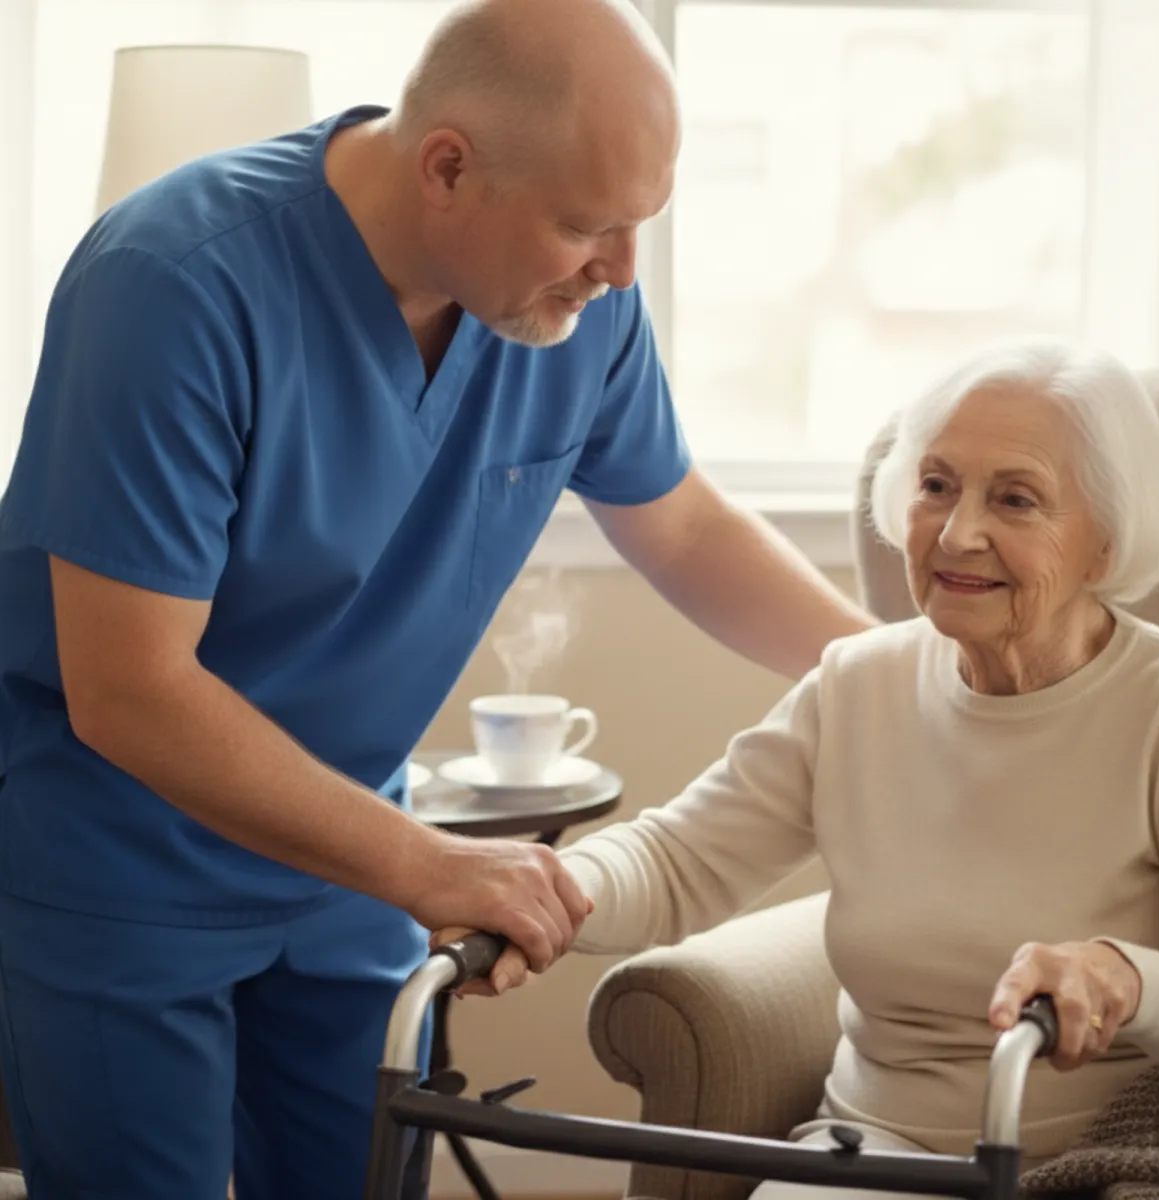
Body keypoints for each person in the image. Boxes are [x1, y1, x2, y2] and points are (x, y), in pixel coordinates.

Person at [0, 0, 877, 1197]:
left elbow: (681, 527)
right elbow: (129, 692)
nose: (620, 272)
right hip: (131, 867)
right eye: (585, 226)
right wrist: (430, 867)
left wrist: (899, 672)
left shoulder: (580, 309)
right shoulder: (171, 285)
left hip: (347, 866)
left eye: (637, 228)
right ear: (449, 166)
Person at [455, 340, 1159, 1197]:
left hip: (1105, 1155)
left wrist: (1129, 977)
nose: (958, 533)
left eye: (1016, 499)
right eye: (935, 486)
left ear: (1105, 544)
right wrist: (535, 885)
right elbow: (678, 861)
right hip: (876, 1151)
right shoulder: (858, 683)